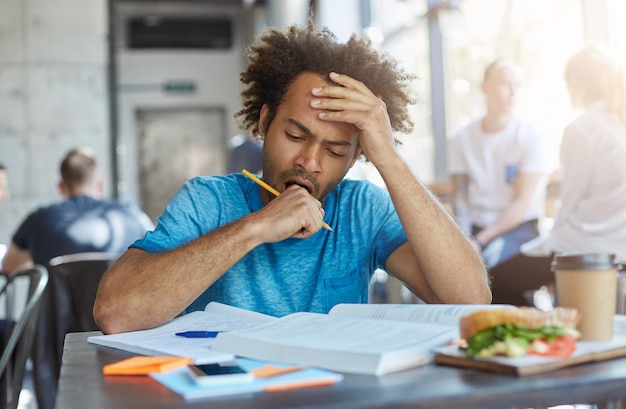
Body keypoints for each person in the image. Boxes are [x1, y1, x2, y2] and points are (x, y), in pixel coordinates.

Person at [94, 21, 491, 335]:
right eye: (296, 135)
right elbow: (115, 313)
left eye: (336, 151)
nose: (309, 161)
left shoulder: (362, 209)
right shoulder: (206, 201)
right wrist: (256, 227)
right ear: (264, 121)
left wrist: (389, 158)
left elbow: (472, 301)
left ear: (355, 158)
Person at [509, 42, 626, 305]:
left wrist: (549, 253)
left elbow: (570, 204)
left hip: (587, 249)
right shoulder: (619, 125)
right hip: (619, 247)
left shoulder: (582, 129)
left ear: (575, 82)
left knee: (494, 280)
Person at [447, 58, 550, 270]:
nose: (513, 91)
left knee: (491, 264)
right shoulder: (461, 139)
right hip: (475, 227)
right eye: (505, 84)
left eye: (517, 85)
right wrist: (464, 238)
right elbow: (461, 198)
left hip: (519, 228)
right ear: (485, 88)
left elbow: (520, 205)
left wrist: (481, 241)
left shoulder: (530, 137)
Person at [1, 147, 154, 274]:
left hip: (56, 311)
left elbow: (9, 267)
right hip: (119, 308)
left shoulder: (38, 220)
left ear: (61, 187)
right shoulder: (130, 215)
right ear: (100, 185)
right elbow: (160, 252)